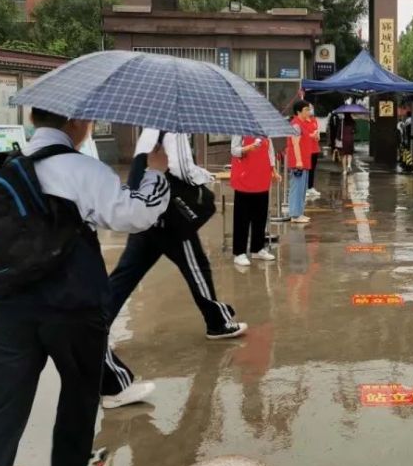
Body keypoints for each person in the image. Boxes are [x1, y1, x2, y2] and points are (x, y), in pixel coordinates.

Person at [0, 109, 170, 466]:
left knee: (1, 410)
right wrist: (154, 174)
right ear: (77, 123)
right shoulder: (82, 168)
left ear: (37, 121)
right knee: (79, 386)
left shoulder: (7, 170)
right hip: (73, 306)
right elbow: (134, 215)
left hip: (13, 310)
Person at [97, 130, 247, 410]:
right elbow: (179, 167)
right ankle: (217, 322)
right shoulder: (170, 128)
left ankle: (97, 325)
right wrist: (202, 177)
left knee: (127, 272)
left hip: (148, 205)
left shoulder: (148, 128)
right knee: (196, 265)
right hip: (169, 209)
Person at [231, 135, 280, 266]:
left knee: (260, 216)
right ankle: (239, 252)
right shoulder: (240, 128)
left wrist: (273, 169)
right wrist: (248, 148)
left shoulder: (264, 131)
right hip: (245, 178)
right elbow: (234, 150)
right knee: (242, 218)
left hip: (262, 177)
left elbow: (270, 151)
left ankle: (257, 249)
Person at [287, 100, 313, 224]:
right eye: (306, 110)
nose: (308, 112)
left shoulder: (302, 124)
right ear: (299, 112)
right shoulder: (296, 125)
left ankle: (299, 213)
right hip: (299, 162)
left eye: (308, 109)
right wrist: (298, 160)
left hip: (304, 161)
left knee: (302, 189)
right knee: (297, 188)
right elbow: (295, 144)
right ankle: (295, 214)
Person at [305, 105, 322, 201]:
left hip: (315, 148)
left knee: (312, 169)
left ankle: (310, 187)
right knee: (307, 169)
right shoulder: (303, 122)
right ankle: (306, 188)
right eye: (309, 109)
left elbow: (317, 132)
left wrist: (317, 136)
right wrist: (311, 135)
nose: (311, 111)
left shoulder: (314, 120)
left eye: (311, 108)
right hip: (308, 149)